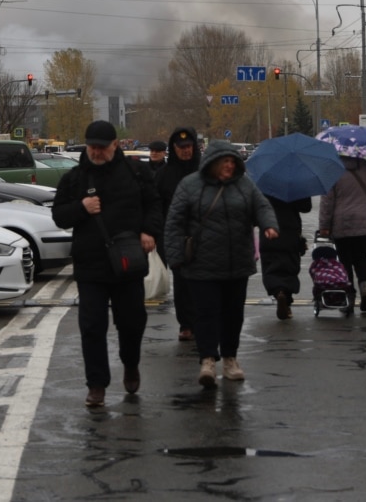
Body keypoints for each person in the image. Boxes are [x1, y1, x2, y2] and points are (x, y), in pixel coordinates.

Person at [52, 120, 163, 408]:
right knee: (91, 326)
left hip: (128, 262)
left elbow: (154, 204)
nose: (97, 152)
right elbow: (59, 216)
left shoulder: (137, 173)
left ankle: (130, 364)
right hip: (91, 265)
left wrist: (149, 231)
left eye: (102, 147)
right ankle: (97, 385)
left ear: (115, 145)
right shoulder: (74, 179)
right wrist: (81, 208)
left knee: (131, 322)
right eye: (92, 147)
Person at [164, 140, 279, 387]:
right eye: (225, 161)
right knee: (206, 314)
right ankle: (207, 360)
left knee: (233, 314)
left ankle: (230, 359)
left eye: (232, 161)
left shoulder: (244, 185)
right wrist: (175, 258)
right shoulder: (190, 185)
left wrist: (269, 225)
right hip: (201, 263)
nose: (229, 166)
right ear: (213, 163)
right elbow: (174, 222)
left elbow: (261, 206)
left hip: (237, 262)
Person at [318, 156, 366, 313]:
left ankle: (349, 298)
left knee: (345, 261)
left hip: (342, 222)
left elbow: (327, 202)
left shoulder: (332, 169)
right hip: (364, 220)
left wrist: (324, 226)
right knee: (361, 258)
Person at [154, 126, 201, 341]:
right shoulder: (164, 175)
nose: (186, 151)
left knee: (202, 282)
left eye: (189, 146)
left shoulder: (204, 170)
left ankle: (202, 321)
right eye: (181, 147)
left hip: (203, 236)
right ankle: (186, 325)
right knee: (181, 282)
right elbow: (156, 206)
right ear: (174, 148)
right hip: (176, 236)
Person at [259, 195, 312, 320]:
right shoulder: (297, 181)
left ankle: (279, 293)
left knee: (270, 267)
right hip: (291, 232)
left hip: (269, 230)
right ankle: (286, 301)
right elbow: (306, 207)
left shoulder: (263, 183)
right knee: (289, 266)